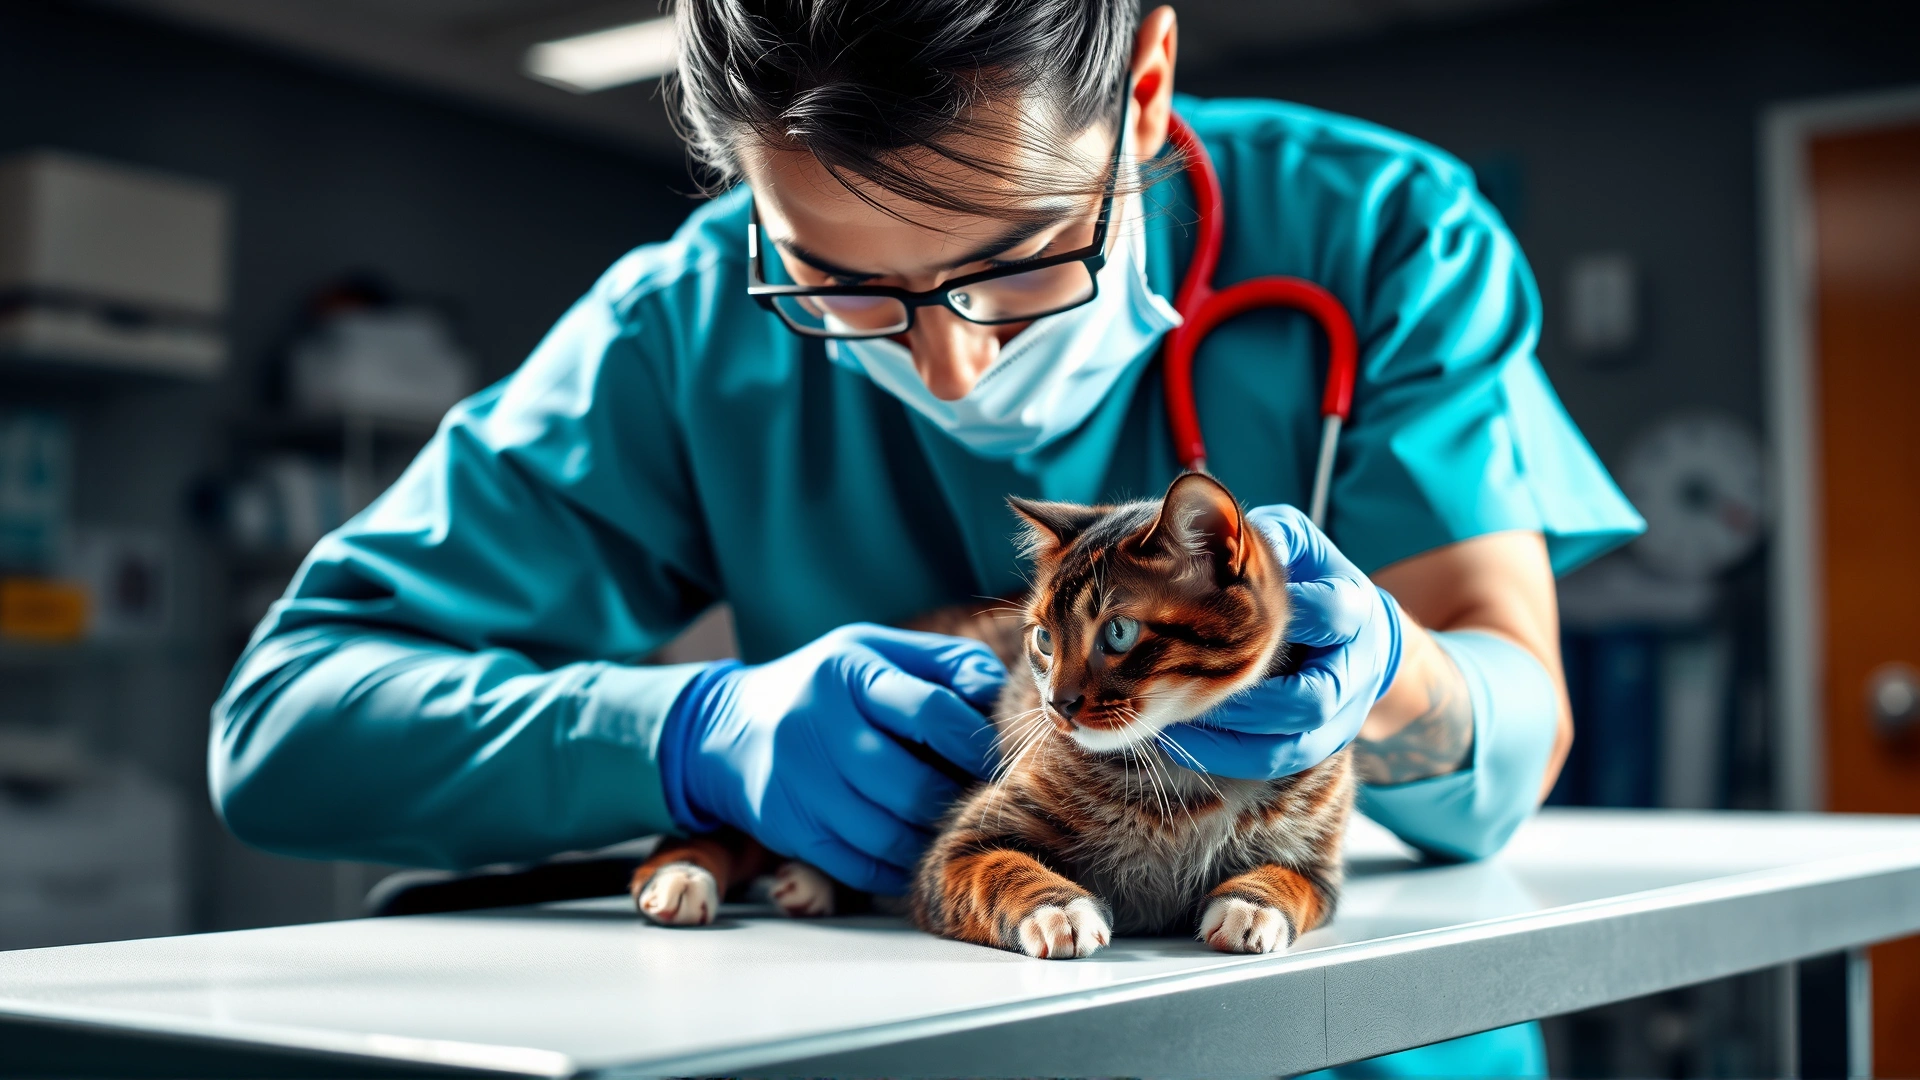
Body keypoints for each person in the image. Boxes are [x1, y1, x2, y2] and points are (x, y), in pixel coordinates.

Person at [210, 1, 1642, 1074]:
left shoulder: (1380, 231)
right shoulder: (684, 320)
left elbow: (1510, 734)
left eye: (1017, 262)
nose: (949, 367)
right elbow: (285, 728)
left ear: (1143, 89)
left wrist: (1383, 669)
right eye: (837, 283)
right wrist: (688, 732)